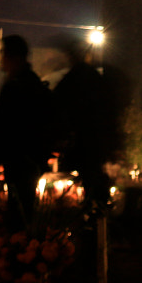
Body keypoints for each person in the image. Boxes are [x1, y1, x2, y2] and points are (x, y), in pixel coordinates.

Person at [0, 35, 56, 231]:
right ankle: (23, 249)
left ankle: (20, 251)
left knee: (19, 210)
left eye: (3, 53)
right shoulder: (32, 83)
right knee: (23, 207)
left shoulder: (16, 86)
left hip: (19, 156)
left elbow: (3, 125)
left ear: (14, 57)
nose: (0, 58)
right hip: (31, 157)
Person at [53, 37, 113, 210]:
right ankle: (97, 215)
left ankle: (93, 215)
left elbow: (59, 104)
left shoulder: (75, 78)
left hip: (84, 140)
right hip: (95, 140)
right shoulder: (94, 78)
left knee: (91, 178)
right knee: (93, 177)